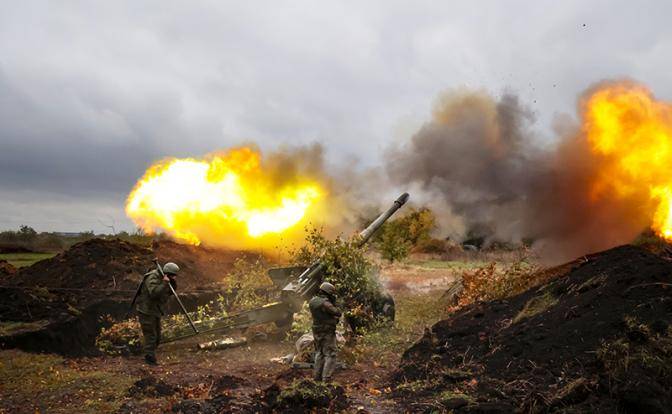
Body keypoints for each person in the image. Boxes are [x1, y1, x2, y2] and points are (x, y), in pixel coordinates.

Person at [136, 262, 179, 365]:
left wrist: (171, 282)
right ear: (167, 273)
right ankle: (149, 358)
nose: (174, 277)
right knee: (151, 336)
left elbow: (169, 292)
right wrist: (164, 283)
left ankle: (150, 353)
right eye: (172, 275)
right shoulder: (153, 277)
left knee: (158, 336)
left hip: (155, 310)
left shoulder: (164, 278)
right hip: (146, 311)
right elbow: (154, 293)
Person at [308, 281, 342, 382]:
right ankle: (326, 378)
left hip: (316, 330)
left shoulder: (313, 301)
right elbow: (337, 313)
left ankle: (317, 377)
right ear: (328, 292)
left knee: (319, 353)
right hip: (326, 331)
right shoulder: (325, 303)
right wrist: (336, 304)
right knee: (330, 354)